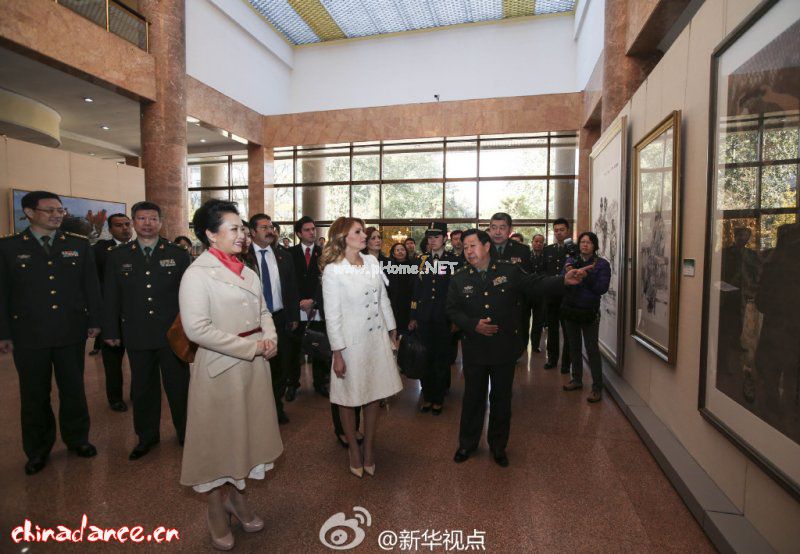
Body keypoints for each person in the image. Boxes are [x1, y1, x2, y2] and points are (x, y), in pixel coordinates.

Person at [179, 199, 283, 551]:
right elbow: (197, 329)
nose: (242, 235)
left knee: (247, 436)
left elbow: (264, 311)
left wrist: (270, 338)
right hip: (220, 370)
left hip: (254, 369)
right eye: (234, 229)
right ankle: (215, 508)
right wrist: (251, 347)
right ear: (211, 234)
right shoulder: (197, 274)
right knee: (218, 442)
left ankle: (238, 499)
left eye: (242, 229)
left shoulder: (247, 271)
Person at [446, 229, 583, 467]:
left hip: (503, 347)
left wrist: (563, 280)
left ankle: (498, 447)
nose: (468, 251)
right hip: (475, 349)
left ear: (486, 246)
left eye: (472, 246)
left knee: (501, 399)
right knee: (472, 399)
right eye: (465, 247)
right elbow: (451, 309)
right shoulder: (459, 277)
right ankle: (467, 444)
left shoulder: (509, 271)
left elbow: (535, 283)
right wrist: (472, 325)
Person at [0, 190, 102, 475]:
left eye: (60, 210)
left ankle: (77, 439)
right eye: (50, 210)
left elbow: (91, 286)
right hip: (29, 334)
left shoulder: (78, 245)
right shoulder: (8, 248)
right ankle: (37, 450)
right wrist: (3, 333)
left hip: (70, 330)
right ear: (29, 213)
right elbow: (2, 294)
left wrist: (95, 320)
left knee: (73, 389)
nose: (57, 215)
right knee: (34, 394)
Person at [103, 201, 191, 460]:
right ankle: (146, 437)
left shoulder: (177, 254)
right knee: (142, 389)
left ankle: (186, 433)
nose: (147, 223)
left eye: (152, 218)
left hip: (172, 334)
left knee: (178, 387)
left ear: (160, 222)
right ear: (133, 222)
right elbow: (111, 296)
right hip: (137, 333)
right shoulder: (118, 256)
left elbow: (189, 296)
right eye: (141, 219)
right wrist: (111, 330)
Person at [321, 217, 402, 477]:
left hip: (375, 339)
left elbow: (383, 299)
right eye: (358, 231)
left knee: (374, 393)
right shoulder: (334, 270)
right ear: (343, 237)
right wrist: (337, 352)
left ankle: (368, 447)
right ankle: (354, 449)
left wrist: (392, 329)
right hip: (350, 344)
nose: (364, 235)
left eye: (363, 231)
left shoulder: (372, 262)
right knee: (349, 396)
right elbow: (332, 316)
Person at [247, 214, 300, 425]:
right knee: (256, 366)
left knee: (280, 365)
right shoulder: (243, 257)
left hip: (279, 318)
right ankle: (256, 410)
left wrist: (293, 315)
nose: (270, 231)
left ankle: (276, 407)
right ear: (252, 232)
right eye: (264, 227)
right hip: (252, 320)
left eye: (271, 227)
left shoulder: (283, 256)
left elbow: (292, 288)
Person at [409, 222, 459, 415]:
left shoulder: (453, 261)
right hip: (424, 317)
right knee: (425, 358)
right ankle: (428, 396)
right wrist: (413, 315)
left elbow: (456, 293)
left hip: (443, 318)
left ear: (445, 238)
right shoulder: (421, 261)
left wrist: (455, 319)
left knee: (441, 359)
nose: (432, 240)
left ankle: (438, 399)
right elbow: (416, 290)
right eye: (429, 237)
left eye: (436, 237)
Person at [561, 232, 611, 402]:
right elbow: (562, 281)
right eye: (582, 242)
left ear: (594, 245)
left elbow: (602, 288)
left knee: (592, 350)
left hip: (589, 312)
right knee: (574, 347)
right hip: (570, 310)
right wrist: (568, 274)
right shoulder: (571, 261)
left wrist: (586, 277)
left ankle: (597, 388)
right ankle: (576, 380)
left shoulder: (602, 264)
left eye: (589, 242)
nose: (585, 245)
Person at [94, 213, 132, 412]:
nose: (125, 228)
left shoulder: (139, 248)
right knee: (112, 362)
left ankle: (138, 393)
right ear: (110, 229)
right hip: (111, 316)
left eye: (127, 224)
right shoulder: (100, 250)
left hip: (135, 316)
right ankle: (115, 398)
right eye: (119, 225)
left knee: (140, 360)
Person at [287, 216, 329, 400]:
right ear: (299, 233)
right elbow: (287, 281)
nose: (312, 232)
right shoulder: (289, 253)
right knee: (294, 348)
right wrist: (298, 302)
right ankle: (292, 384)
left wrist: (313, 300)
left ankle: (320, 383)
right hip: (296, 308)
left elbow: (326, 281)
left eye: (313, 229)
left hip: (317, 307)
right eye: (307, 230)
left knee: (319, 345)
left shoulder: (324, 253)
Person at [488, 213, 533, 352]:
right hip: (488, 305)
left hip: (514, 306)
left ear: (510, 229)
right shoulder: (482, 247)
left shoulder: (522, 250)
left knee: (513, 347)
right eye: (494, 227)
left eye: (502, 228)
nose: (497, 232)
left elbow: (527, 279)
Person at [543, 218, 573, 372]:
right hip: (552, 295)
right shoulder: (548, 250)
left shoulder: (573, 249)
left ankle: (566, 363)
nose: (559, 233)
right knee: (552, 329)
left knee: (567, 331)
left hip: (568, 295)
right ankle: (552, 359)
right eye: (556, 230)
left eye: (562, 230)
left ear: (567, 231)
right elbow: (543, 271)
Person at [387, 243, 414, 337]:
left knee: (409, 332)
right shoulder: (388, 266)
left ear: (406, 252)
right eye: (397, 250)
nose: (400, 252)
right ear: (393, 253)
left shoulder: (413, 265)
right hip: (394, 301)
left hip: (409, 301)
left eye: (402, 249)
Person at [530, 234, 546, 353]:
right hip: (527, 292)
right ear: (532, 242)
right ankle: (523, 344)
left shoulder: (547, 256)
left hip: (541, 293)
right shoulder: (526, 256)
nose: (538, 244)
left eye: (541, 242)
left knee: (538, 321)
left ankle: (535, 345)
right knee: (524, 320)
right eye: (536, 241)